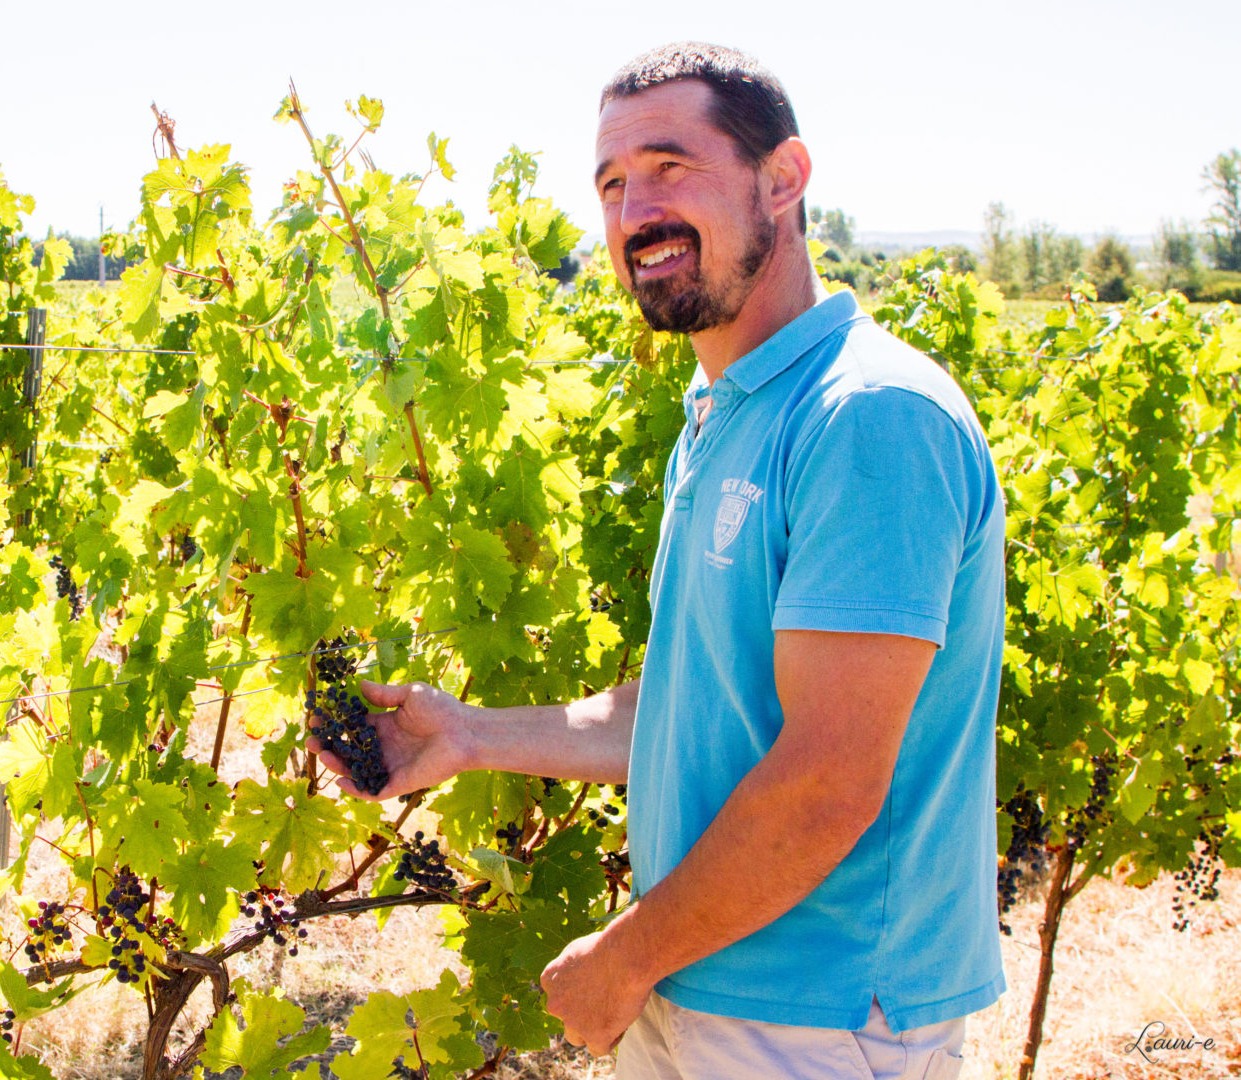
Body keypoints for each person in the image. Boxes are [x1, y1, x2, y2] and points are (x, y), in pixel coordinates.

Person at [308, 42, 1006, 1080]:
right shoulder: (727, 418)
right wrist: (464, 734)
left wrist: (623, 957)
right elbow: (686, 711)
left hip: (820, 1016)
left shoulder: (865, 419)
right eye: (611, 183)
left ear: (785, 177)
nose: (636, 209)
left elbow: (826, 780)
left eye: (671, 167)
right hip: (705, 984)